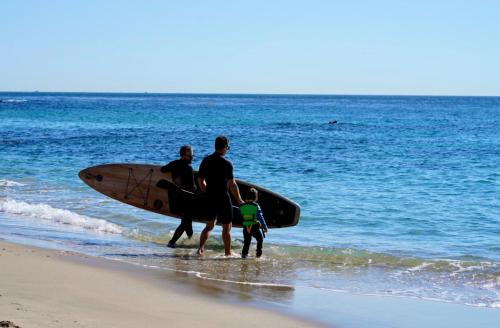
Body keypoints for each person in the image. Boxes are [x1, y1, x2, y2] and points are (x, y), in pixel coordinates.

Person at [197, 136, 243, 256]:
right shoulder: (227, 163)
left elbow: (200, 180)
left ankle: (200, 249)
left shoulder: (206, 160)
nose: (228, 149)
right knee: (226, 227)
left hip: (210, 196)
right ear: (224, 147)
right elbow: (232, 184)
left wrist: (206, 191)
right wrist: (239, 200)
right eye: (228, 147)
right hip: (223, 197)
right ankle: (227, 253)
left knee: (209, 225)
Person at [160, 145, 195, 248]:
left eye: (192, 156)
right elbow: (192, 187)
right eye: (190, 156)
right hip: (186, 199)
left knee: (188, 222)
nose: (192, 158)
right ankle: (171, 242)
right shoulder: (189, 169)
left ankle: (190, 242)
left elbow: (163, 169)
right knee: (186, 222)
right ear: (183, 156)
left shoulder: (174, 164)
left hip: (174, 200)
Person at [240, 188, 268, 258]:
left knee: (247, 242)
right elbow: (261, 217)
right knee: (260, 239)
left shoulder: (242, 206)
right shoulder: (256, 206)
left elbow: (241, 215)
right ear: (256, 197)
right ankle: (258, 254)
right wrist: (265, 227)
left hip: (246, 227)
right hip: (254, 226)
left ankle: (244, 255)